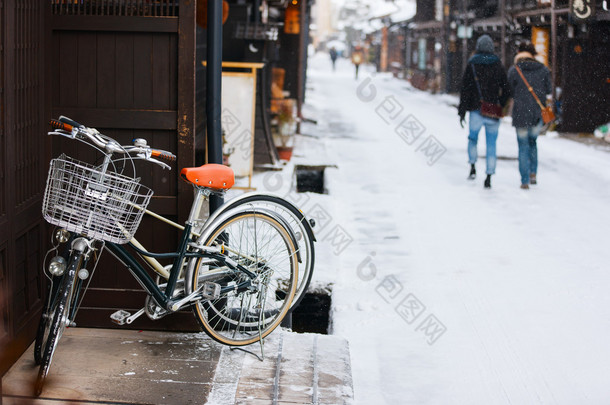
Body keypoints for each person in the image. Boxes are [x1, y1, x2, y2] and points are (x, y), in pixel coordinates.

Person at [458, 35, 511, 189]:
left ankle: (473, 166)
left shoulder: (472, 64)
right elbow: (507, 89)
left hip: (476, 109)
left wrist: (462, 110)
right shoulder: (497, 64)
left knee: (473, 139)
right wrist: (499, 103)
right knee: (491, 144)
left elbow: (465, 89)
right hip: (493, 111)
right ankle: (489, 175)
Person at [507, 41, 552, 189]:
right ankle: (533, 173)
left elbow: (509, 91)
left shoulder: (515, 70)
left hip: (520, 113)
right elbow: (549, 91)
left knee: (522, 146)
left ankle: (524, 179)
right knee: (533, 143)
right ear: (533, 54)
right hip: (537, 114)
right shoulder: (543, 69)